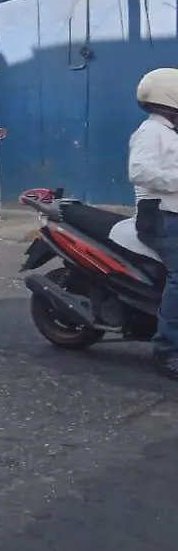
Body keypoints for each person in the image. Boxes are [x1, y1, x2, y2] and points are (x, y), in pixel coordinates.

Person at [127, 68, 178, 379]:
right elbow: (139, 172)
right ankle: (167, 350)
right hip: (159, 215)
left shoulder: (169, 133)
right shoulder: (151, 132)